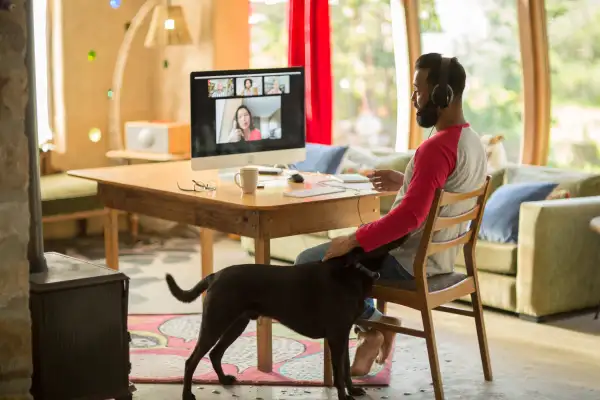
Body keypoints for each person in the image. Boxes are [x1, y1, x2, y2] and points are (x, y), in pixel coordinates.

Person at [294, 53, 487, 376]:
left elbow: (408, 220)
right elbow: (443, 195)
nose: (414, 98)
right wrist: (408, 182)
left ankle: (373, 329)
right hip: (442, 259)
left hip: (409, 262)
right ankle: (376, 325)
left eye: (418, 90)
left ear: (442, 95)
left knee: (309, 263)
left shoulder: (436, 148)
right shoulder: (472, 142)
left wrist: (353, 239)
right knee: (337, 259)